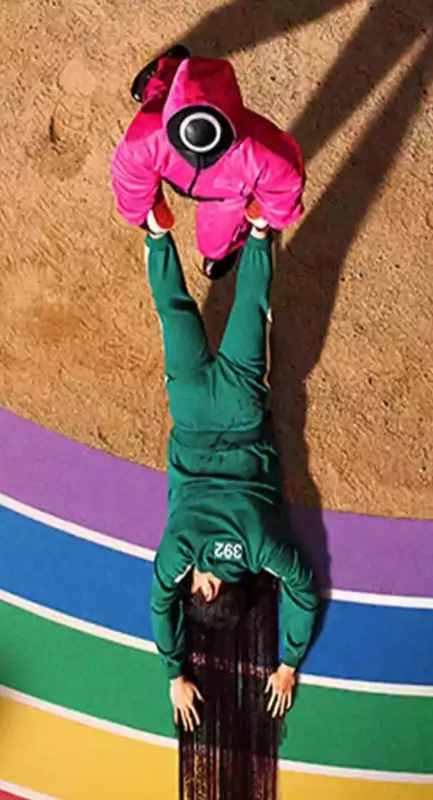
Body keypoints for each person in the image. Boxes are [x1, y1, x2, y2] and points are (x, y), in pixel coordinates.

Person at [143, 214, 319, 732]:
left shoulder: (265, 548)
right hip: (193, 407)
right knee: (174, 312)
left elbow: (304, 593)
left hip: (244, 406)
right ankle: (157, 232)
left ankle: (261, 229)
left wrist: (288, 664)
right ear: (207, 590)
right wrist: (174, 673)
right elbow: (159, 607)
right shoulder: (179, 550)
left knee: (250, 308)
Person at [111, 46, 306, 280]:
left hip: (224, 194)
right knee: (158, 99)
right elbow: (130, 173)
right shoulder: (148, 135)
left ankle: (220, 250)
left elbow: (285, 186)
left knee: (215, 244)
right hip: (226, 186)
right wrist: (143, 210)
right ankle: (168, 71)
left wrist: (269, 212)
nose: (199, 162)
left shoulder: (264, 153)